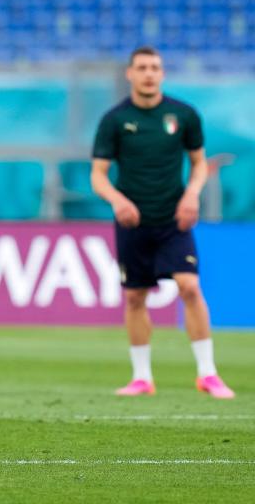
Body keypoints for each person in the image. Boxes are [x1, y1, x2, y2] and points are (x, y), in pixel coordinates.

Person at [91, 46, 234, 399]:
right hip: (132, 221)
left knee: (189, 287)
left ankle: (208, 373)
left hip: (174, 220)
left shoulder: (183, 115)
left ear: (162, 73)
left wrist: (192, 194)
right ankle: (142, 378)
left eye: (155, 67)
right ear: (130, 74)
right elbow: (98, 175)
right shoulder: (114, 120)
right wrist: (118, 200)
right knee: (136, 296)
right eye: (142, 67)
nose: (149, 73)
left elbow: (199, 163)